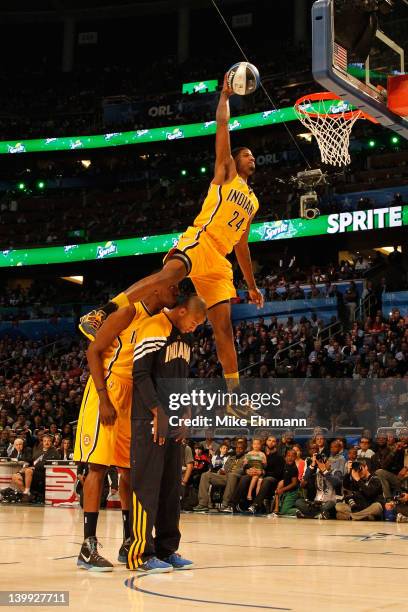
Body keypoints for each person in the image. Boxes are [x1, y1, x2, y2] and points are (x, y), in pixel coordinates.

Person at [78, 73, 263, 406]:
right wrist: (223, 98)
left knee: (223, 328)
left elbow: (242, 244)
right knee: (167, 277)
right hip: (201, 240)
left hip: (220, 261)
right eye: (246, 154)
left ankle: (235, 396)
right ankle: (102, 313)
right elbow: (222, 130)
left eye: (252, 156)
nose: (251, 158)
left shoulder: (253, 201)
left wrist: (251, 285)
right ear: (234, 160)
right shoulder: (226, 174)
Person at [75, 285, 179, 572]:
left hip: (133, 398)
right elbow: (93, 351)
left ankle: (128, 542)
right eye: (172, 286)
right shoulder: (128, 313)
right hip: (107, 390)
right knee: (97, 467)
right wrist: (104, 399)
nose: (177, 291)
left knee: (129, 470)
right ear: (156, 290)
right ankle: (87, 547)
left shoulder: (159, 322)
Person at [127, 295, 207, 573]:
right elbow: (140, 375)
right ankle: (139, 553)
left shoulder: (186, 339)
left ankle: (166, 548)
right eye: (193, 322)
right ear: (182, 310)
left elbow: (181, 378)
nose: (194, 328)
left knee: (170, 488)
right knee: (146, 485)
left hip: (172, 417)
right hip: (147, 417)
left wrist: (185, 412)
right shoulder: (152, 327)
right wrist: (157, 411)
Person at [194, 440, 247, 513]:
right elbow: (225, 468)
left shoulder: (246, 458)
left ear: (244, 449)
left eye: (241, 448)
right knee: (205, 475)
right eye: (237, 448)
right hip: (226, 477)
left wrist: (229, 472)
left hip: (237, 478)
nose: (238, 450)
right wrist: (221, 471)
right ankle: (203, 504)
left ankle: (225, 505)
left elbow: (243, 470)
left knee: (232, 475)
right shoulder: (231, 458)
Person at [11, 433, 59, 502]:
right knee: (15, 476)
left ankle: (26, 492)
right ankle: (27, 494)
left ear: (51, 442)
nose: (47, 443)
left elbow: (48, 464)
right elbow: (32, 460)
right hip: (33, 472)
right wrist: (26, 466)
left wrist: (33, 468)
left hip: (43, 473)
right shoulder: (38, 450)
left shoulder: (54, 452)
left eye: (48, 441)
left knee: (28, 471)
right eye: (45, 441)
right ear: (42, 442)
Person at [295, 451, 343, 519]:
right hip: (316, 504)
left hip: (330, 503)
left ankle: (308, 515)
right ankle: (319, 515)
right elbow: (303, 483)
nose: (321, 464)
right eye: (320, 462)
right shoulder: (316, 473)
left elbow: (337, 483)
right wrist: (312, 465)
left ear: (329, 463)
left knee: (329, 504)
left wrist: (325, 471)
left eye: (324, 462)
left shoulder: (336, 472)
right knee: (298, 502)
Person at [272, 449, 299, 516]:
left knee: (284, 511)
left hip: (292, 493)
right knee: (281, 510)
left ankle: (298, 511)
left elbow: (294, 483)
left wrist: (282, 489)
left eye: (293, 456)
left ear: (295, 457)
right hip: (287, 491)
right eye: (288, 456)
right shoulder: (286, 465)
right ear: (285, 457)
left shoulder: (293, 468)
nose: (290, 458)